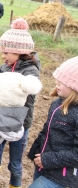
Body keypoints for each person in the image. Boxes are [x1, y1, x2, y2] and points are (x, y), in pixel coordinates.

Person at [0, 18, 40, 188]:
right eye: (2, 52)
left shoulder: (31, 71)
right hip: (0, 120)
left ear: (20, 52)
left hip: (20, 124)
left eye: (6, 52)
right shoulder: (5, 66)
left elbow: (22, 95)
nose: (2, 56)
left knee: (15, 165)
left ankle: (15, 185)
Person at [27, 56, 78, 188]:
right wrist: (36, 150)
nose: (57, 83)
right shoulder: (57, 104)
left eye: (63, 81)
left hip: (61, 175)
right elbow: (47, 129)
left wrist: (47, 159)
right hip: (43, 166)